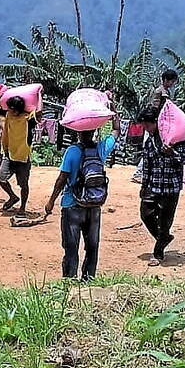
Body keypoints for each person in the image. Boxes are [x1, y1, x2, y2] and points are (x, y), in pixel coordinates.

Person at [45, 114, 120, 281]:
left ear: (78, 132)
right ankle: (88, 280)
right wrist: (113, 112)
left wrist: (51, 201)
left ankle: (69, 280)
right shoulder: (101, 149)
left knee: (71, 247)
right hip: (94, 205)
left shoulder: (72, 151)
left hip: (72, 204)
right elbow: (116, 131)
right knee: (92, 246)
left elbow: (62, 179)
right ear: (93, 130)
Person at [137, 107, 185, 267]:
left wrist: (172, 153)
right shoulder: (149, 142)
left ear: (155, 123)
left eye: (147, 125)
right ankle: (164, 237)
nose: (145, 128)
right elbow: (147, 165)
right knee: (145, 214)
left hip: (171, 186)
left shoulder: (175, 139)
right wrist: (144, 185)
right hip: (153, 185)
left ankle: (158, 252)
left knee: (166, 220)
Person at [0, 95, 37, 215]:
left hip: (23, 156)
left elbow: (38, 112)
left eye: (10, 108)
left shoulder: (28, 118)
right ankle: (13, 197)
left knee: (23, 184)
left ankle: (23, 207)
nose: (8, 110)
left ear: (16, 109)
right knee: (1, 179)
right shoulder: (9, 115)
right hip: (9, 153)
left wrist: (39, 95)